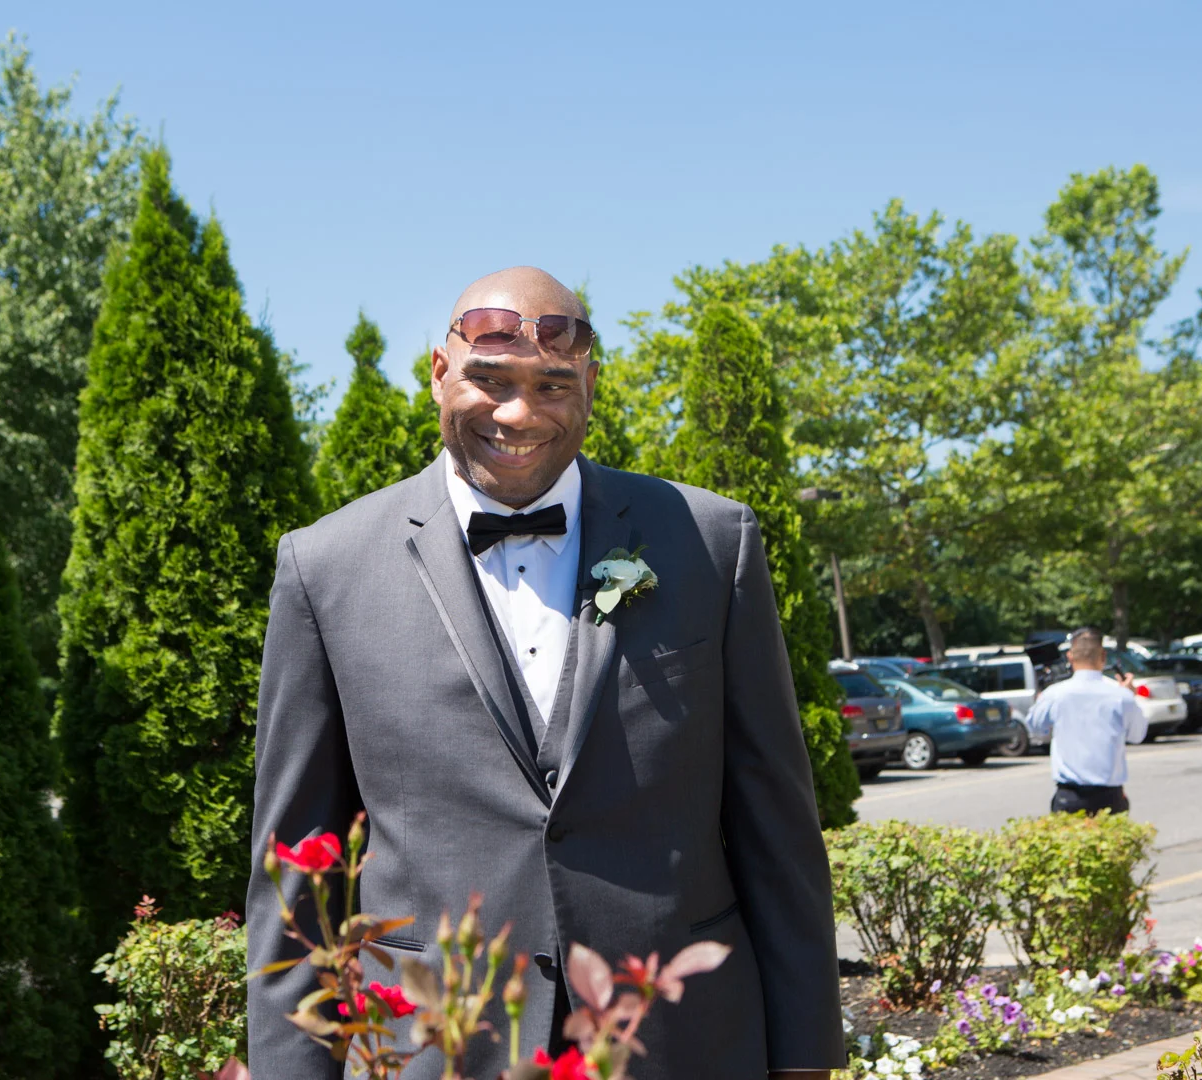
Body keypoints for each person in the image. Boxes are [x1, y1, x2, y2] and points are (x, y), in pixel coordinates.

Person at [245, 267, 844, 1080]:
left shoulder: (710, 541)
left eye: (552, 384)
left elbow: (777, 828)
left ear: (590, 385)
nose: (518, 413)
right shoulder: (325, 568)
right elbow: (296, 870)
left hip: (681, 1042)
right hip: (436, 1047)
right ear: (438, 374)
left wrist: (805, 1058)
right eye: (490, 380)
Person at [1023, 628, 1148, 815]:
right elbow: (1137, 736)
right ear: (1103, 655)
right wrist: (1131, 695)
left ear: (1070, 656)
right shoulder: (1121, 696)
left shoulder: (1055, 694)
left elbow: (1035, 729)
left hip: (1069, 796)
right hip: (1110, 797)